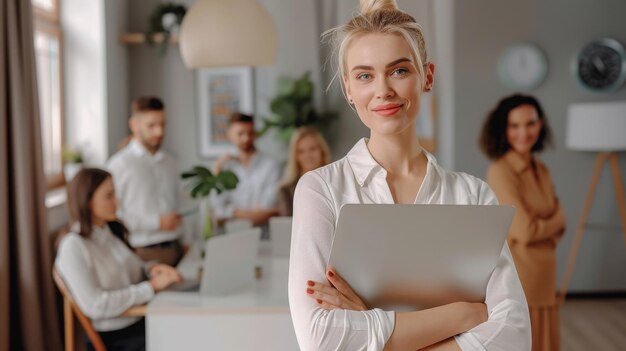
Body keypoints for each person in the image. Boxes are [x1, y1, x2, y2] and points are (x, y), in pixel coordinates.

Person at [288, 1, 531, 350]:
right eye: (365, 75)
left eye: (399, 71)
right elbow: (320, 338)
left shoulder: (472, 195)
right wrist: (464, 314)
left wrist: (371, 320)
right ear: (348, 90)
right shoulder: (321, 190)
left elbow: (514, 335)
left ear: (426, 76)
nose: (383, 89)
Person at [55, 168, 182, 351]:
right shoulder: (73, 246)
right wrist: (151, 287)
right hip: (116, 338)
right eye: (109, 196)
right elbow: (95, 305)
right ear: (88, 201)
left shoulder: (109, 231)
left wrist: (152, 269)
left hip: (139, 322)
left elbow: (135, 266)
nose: (117, 202)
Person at [480, 94, 565, 351]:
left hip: (545, 277)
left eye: (530, 123)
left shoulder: (542, 170)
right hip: (522, 279)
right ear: (503, 130)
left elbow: (560, 227)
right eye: (514, 125)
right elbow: (525, 230)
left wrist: (549, 226)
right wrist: (553, 222)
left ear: (540, 125)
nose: (524, 132)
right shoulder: (501, 171)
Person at [107, 97, 183, 266]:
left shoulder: (171, 162)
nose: (159, 132)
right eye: (152, 125)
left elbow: (178, 203)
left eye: (163, 124)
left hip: (175, 248)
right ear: (134, 125)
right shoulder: (118, 165)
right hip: (141, 252)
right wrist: (157, 222)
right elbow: (113, 216)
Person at [211, 112, 281, 227]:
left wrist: (231, 212)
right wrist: (217, 171)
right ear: (230, 135)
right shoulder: (224, 167)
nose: (246, 138)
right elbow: (217, 209)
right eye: (240, 134)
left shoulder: (271, 165)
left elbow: (267, 209)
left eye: (250, 133)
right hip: (232, 236)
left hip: (265, 235)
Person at [277, 126, 331, 216]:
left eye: (312, 149)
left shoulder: (335, 182)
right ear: (295, 156)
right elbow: (288, 225)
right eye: (301, 151)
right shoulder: (286, 190)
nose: (307, 156)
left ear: (322, 150)